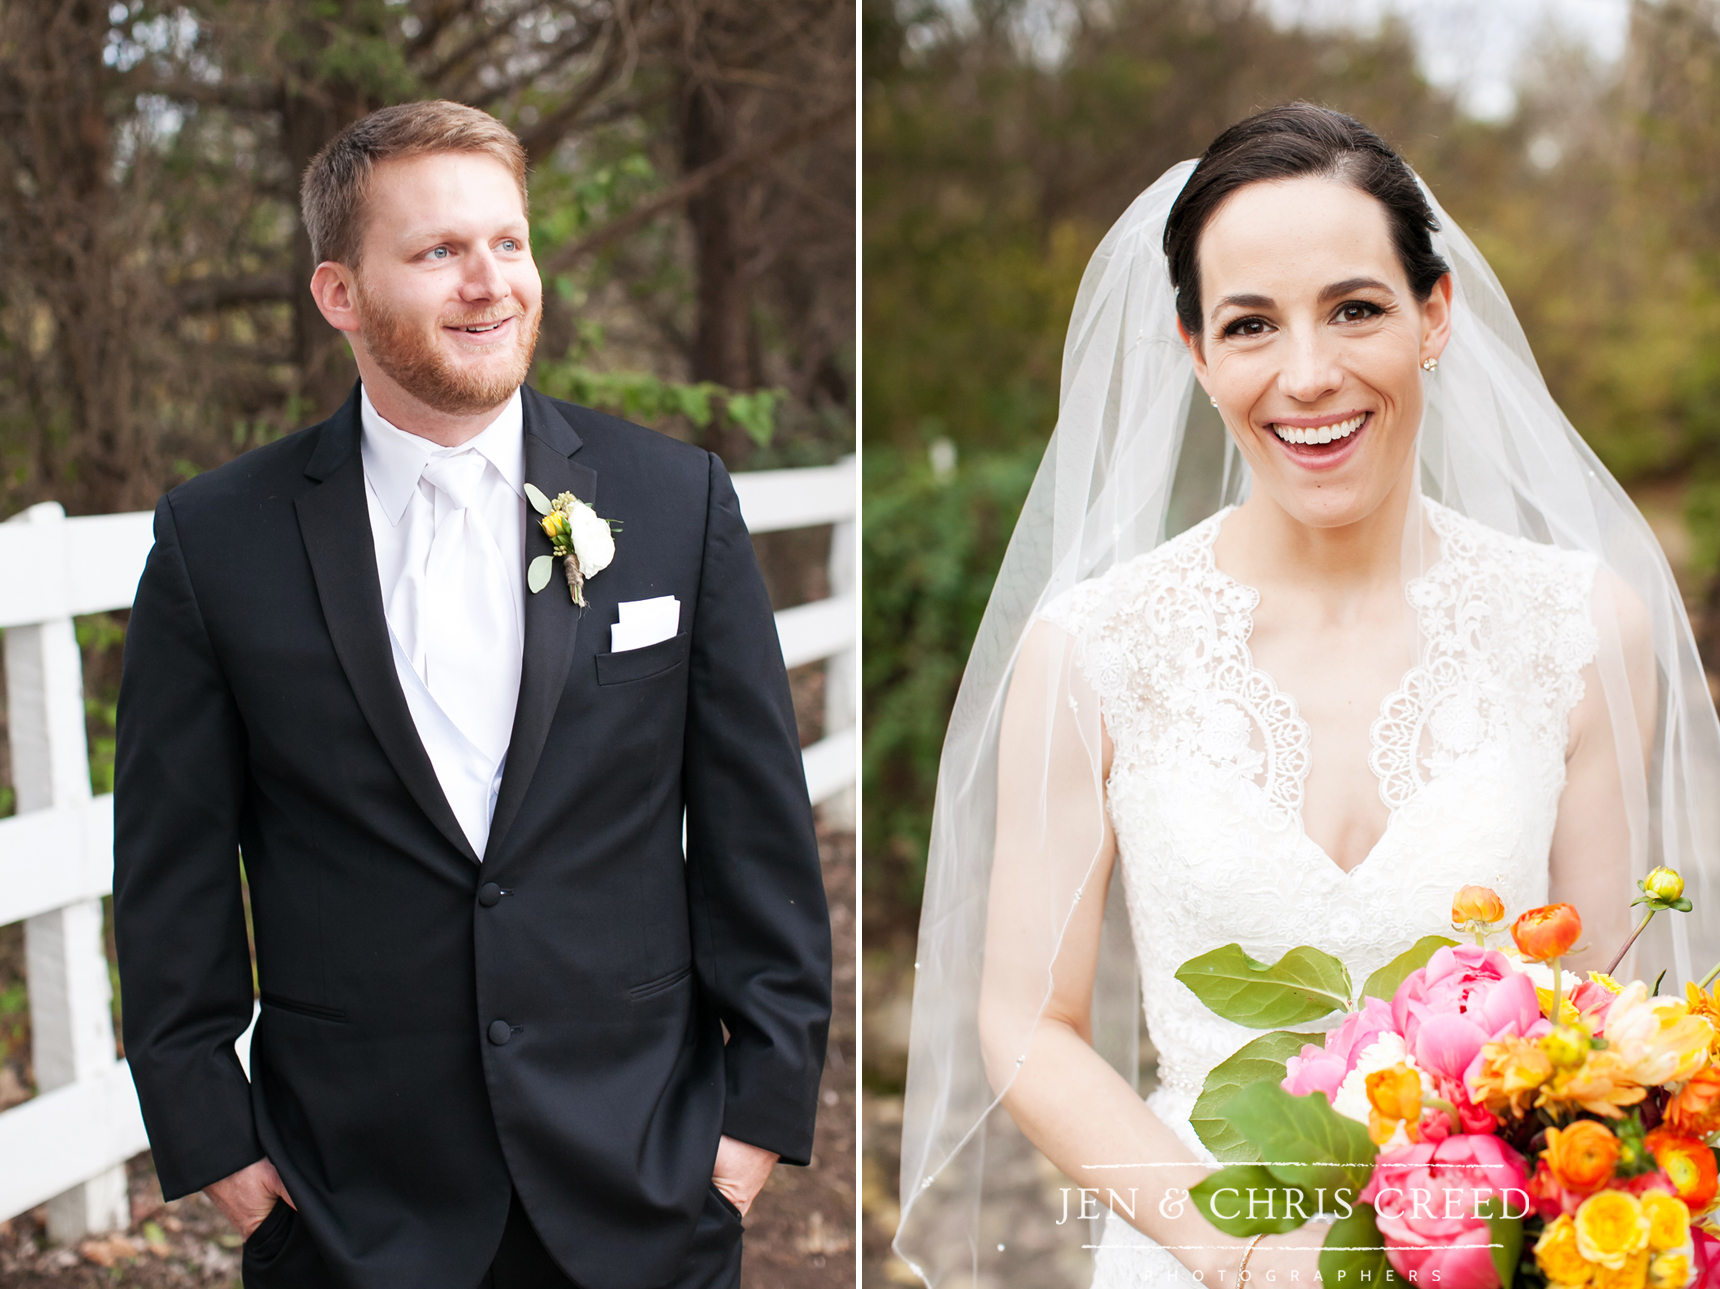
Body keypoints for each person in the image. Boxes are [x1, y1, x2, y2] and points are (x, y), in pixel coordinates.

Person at [893, 104, 1720, 1288]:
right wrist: (1239, 1252)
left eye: (1355, 308)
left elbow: (1599, 1023)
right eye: (1249, 325)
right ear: (1195, 352)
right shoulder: (1092, 649)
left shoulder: (1582, 628)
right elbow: (1030, 1027)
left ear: (1433, 315)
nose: (1307, 374)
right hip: (1196, 1246)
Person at [112, 100, 832, 1289]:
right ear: (339, 293)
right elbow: (168, 875)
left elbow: (759, 832)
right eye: (439, 250)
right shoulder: (216, 541)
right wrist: (223, 1149)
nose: (489, 283)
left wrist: (751, 1127)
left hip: (645, 1185)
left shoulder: (672, 503)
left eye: (508, 242)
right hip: (349, 1204)